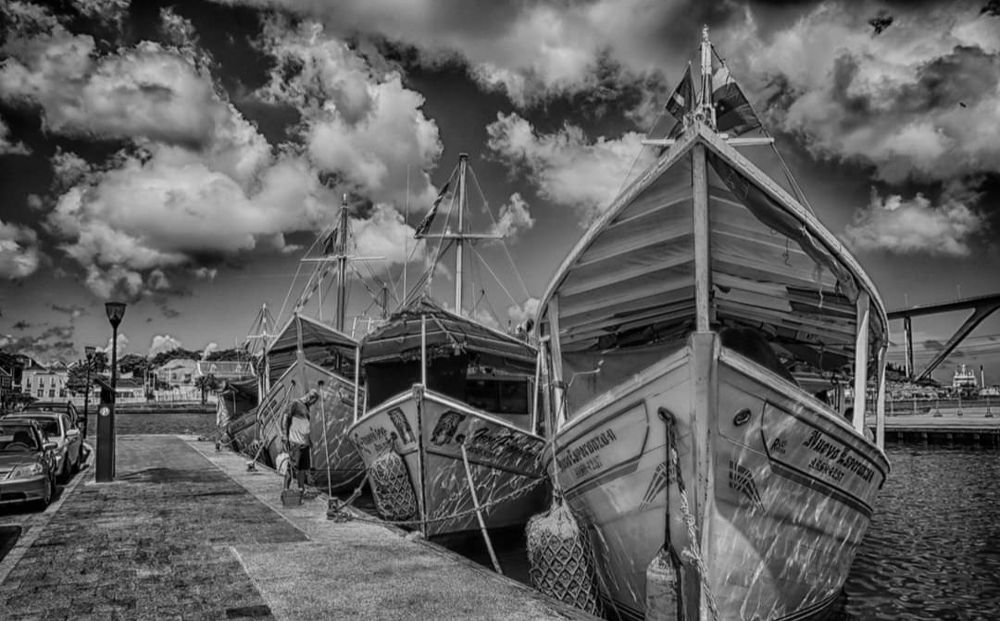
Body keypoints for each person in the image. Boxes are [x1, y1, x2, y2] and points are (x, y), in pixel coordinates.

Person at [282, 388, 319, 492]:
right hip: (295, 442)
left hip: (304, 443)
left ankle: (301, 488)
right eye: (313, 401)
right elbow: (286, 417)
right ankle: (286, 489)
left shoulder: (306, 407)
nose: (313, 404)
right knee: (293, 467)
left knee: (303, 468)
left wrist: (309, 440)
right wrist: (285, 435)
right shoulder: (295, 403)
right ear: (309, 397)